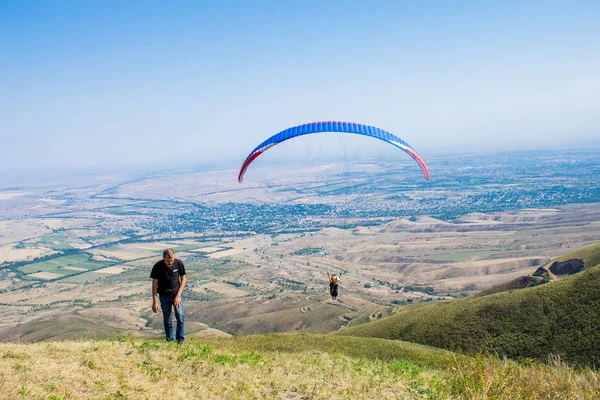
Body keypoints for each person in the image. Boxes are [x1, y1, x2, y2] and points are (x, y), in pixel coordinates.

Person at [151, 248, 186, 343]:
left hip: (176, 294)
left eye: (172, 261)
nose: (170, 263)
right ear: (163, 258)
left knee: (180, 317)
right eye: (168, 261)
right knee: (167, 319)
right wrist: (155, 301)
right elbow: (154, 284)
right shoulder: (158, 266)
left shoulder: (179, 263)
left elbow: (183, 280)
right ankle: (170, 341)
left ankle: (180, 341)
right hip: (164, 296)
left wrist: (178, 295)